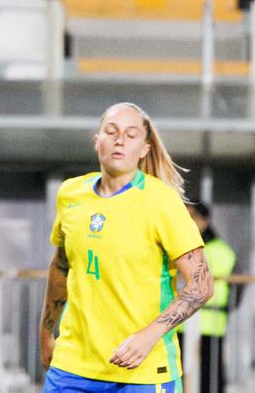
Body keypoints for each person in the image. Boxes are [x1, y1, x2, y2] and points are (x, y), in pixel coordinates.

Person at [39, 102, 214, 392]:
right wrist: (46, 332)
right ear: (97, 141)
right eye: (111, 131)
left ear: (144, 149)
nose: (119, 140)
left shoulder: (161, 202)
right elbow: (60, 268)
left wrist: (149, 336)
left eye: (131, 135)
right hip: (71, 366)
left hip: (142, 372)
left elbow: (202, 284)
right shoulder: (71, 194)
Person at [178, 201, 236, 393]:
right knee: (182, 373)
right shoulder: (181, 245)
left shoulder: (220, 250)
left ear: (204, 221)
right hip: (182, 322)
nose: (188, 222)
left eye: (192, 217)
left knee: (210, 377)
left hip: (209, 323)